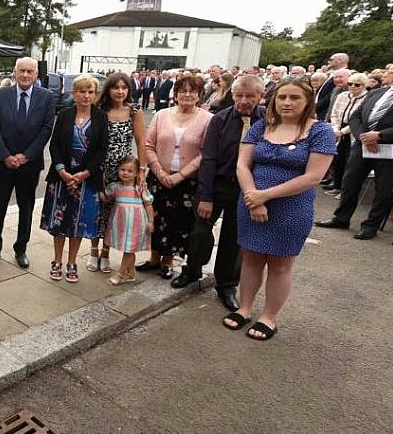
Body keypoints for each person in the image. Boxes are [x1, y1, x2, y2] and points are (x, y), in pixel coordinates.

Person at [226, 79, 335, 340]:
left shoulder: (321, 131)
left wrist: (264, 196)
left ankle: (269, 317)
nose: (286, 102)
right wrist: (254, 198)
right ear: (273, 99)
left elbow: (313, 177)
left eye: (294, 98)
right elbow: (242, 165)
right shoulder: (262, 126)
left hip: (291, 208)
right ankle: (245, 308)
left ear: (308, 101)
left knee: (280, 265)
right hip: (251, 203)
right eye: (282, 97)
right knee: (251, 260)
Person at [172, 75, 266, 311]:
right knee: (199, 232)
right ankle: (192, 270)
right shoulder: (220, 120)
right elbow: (209, 159)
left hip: (247, 189)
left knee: (234, 240)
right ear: (232, 94)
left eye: (250, 96)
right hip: (217, 185)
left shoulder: (267, 121)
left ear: (260, 96)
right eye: (239, 95)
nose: (244, 101)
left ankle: (226, 285)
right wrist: (205, 196)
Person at [137, 75, 213, 279]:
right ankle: (153, 258)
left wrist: (180, 175)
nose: (187, 95)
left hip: (187, 182)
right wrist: (159, 171)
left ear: (199, 95)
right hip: (159, 178)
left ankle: (168, 261)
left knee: (177, 221)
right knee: (155, 217)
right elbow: (148, 145)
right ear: (176, 94)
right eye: (183, 90)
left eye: (193, 91)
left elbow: (206, 153)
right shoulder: (161, 115)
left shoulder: (207, 119)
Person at [0, 57, 55, 269]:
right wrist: (5, 156)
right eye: (21, 70)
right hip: (4, 164)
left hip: (29, 165)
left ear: (35, 74)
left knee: (26, 209)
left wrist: (25, 156)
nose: (25, 75)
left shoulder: (46, 97)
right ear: (14, 72)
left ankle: (21, 249)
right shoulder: (0, 95)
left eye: (29, 71)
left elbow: (46, 129)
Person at [316, 63, 393, 239]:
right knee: (350, 182)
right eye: (391, 72)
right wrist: (363, 137)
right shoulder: (376, 93)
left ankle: (370, 226)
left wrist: (380, 136)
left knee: (384, 190)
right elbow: (355, 116)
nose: (390, 74)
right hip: (362, 145)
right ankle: (341, 218)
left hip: (389, 150)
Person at [40, 74, 108, 282]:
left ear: (95, 95)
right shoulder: (65, 114)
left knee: (79, 223)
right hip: (62, 178)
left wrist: (85, 173)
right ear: (74, 93)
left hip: (87, 179)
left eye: (91, 92)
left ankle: (72, 262)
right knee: (59, 222)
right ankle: (57, 261)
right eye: (82, 91)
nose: (86, 95)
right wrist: (62, 170)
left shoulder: (101, 117)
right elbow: (54, 145)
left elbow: (102, 150)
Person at [88, 72, 146, 274]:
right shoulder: (99, 109)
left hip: (124, 171)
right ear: (108, 89)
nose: (120, 91)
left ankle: (105, 253)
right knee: (96, 210)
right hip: (99, 167)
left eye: (124, 87)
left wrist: (142, 171)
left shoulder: (134, 111)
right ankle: (93, 251)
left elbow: (141, 142)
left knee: (114, 213)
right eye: (116, 87)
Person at [103, 156, 154, 285]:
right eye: (122, 169)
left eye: (130, 171)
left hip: (136, 224)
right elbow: (105, 198)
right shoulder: (115, 187)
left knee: (129, 249)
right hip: (121, 224)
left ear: (137, 173)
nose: (125, 173)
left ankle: (120, 274)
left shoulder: (140, 188)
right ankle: (130, 273)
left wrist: (151, 221)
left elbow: (148, 204)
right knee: (128, 247)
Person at [325, 72, 370, 195]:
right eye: (350, 84)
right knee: (337, 160)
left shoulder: (367, 98)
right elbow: (333, 113)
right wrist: (335, 129)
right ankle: (337, 185)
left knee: (349, 163)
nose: (353, 86)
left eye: (357, 84)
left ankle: (345, 191)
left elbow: (359, 119)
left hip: (353, 132)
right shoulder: (343, 95)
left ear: (364, 85)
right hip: (338, 129)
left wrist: (343, 131)